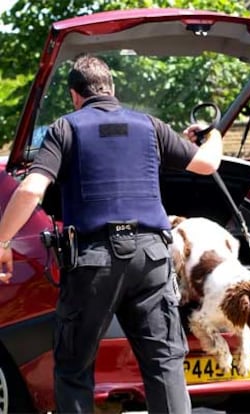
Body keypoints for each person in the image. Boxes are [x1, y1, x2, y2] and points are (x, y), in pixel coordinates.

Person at [0, 53, 224, 413]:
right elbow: (208, 163)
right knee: (163, 364)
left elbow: (29, 190)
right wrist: (212, 136)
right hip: (151, 257)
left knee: (74, 368)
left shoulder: (66, 128)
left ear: (75, 95)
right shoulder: (150, 126)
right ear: (112, 88)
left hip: (94, 262)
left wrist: (2, 240)